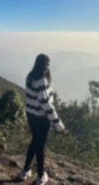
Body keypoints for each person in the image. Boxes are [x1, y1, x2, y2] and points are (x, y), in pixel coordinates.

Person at [18, 54, 65, 185]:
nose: (49, 66)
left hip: (31, 116)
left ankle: (25, 171)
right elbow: (46, 104)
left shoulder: (30, 76)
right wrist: (58, 123)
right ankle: (40, 177)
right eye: (47, 64)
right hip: (41, 119)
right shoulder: (41, 80)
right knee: (40, 147)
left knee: (34, 143)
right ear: (43, 64)